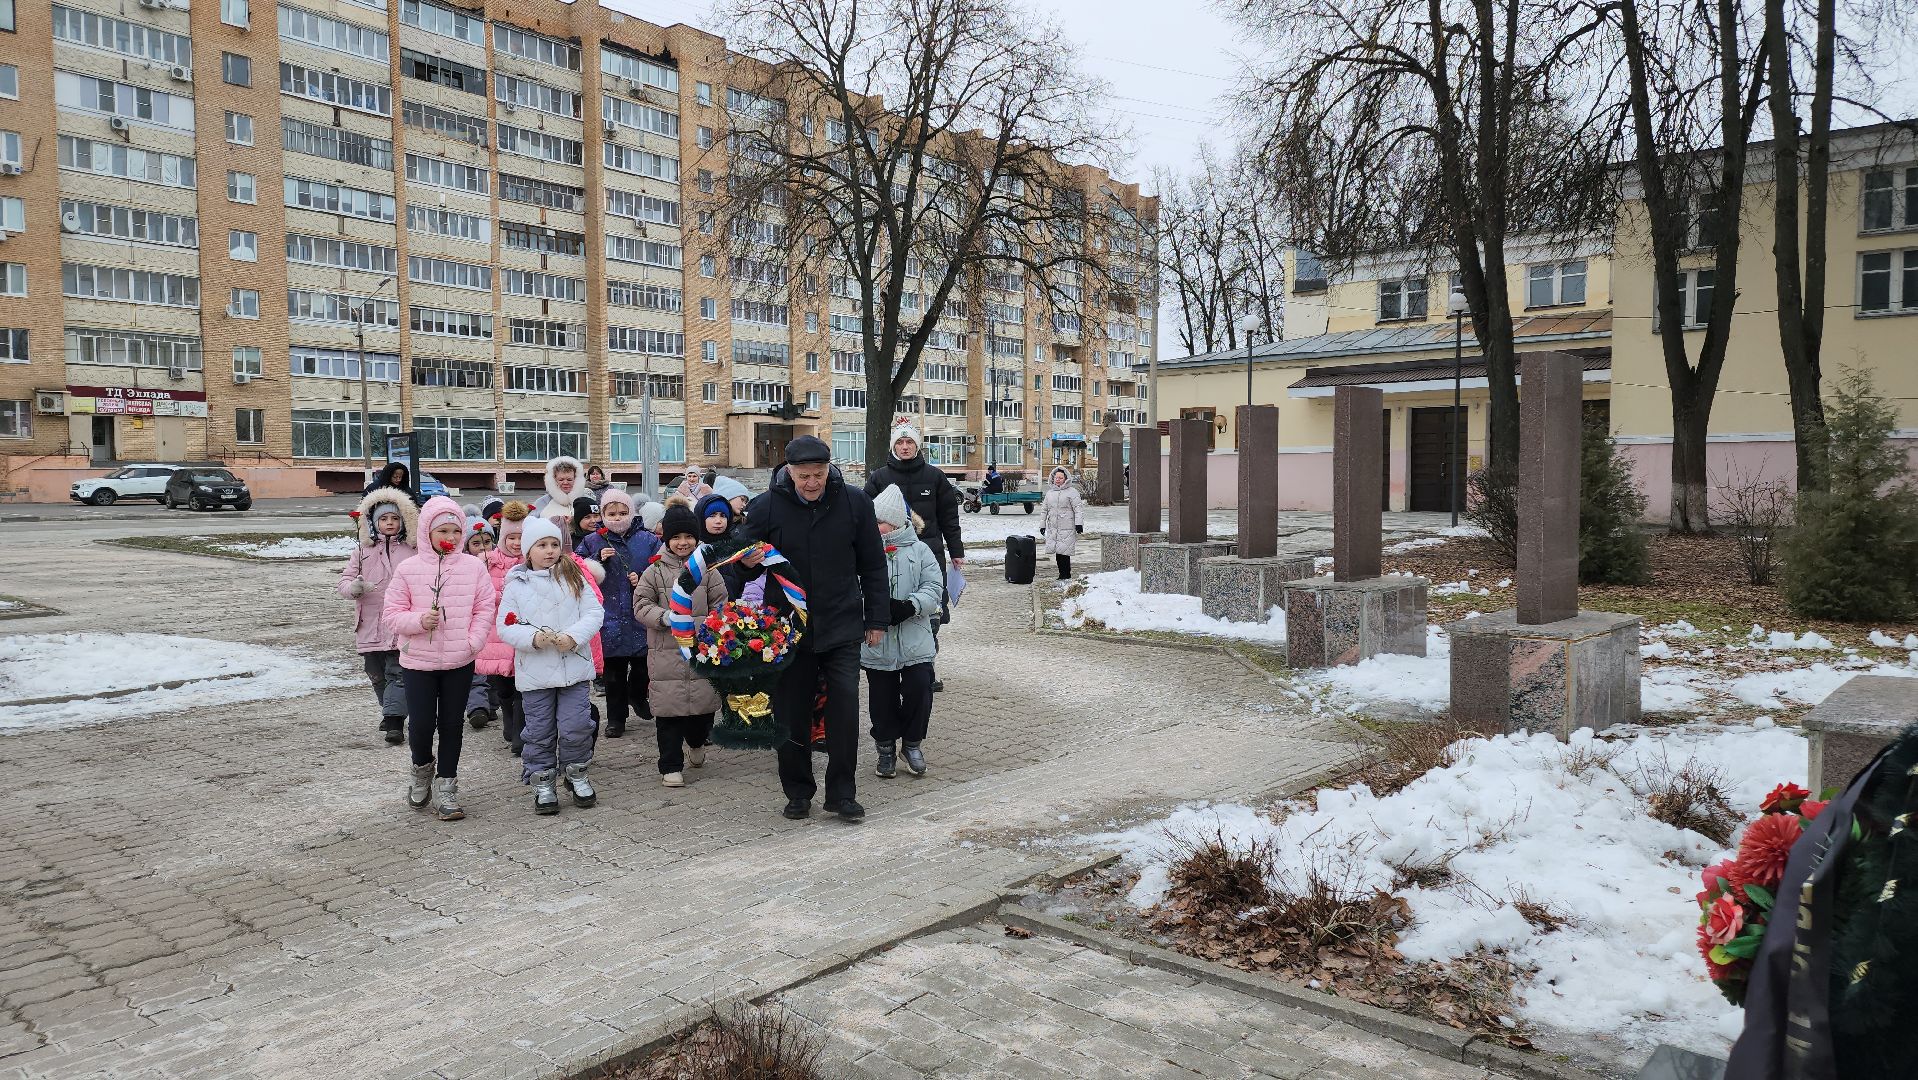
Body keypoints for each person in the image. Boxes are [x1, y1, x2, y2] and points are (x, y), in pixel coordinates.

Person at [738, 436, 887, 822]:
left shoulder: (854, 502)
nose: (811, 483)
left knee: (844, 710)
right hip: (787, 629)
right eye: (803, 476)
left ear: (829, 469)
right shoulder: (767, 505)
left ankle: (842, 794)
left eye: (818, 475)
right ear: (789, 472)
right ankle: (798, 791)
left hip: (841, 624)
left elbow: (872, 565)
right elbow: (736, 560)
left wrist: (877, 619)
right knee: (791, 712)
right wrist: (748, 561)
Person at [381, 495, 498, 821]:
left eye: (455, 531)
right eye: (442, 531)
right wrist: (419, 621)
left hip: (459, 661)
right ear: (426, 533)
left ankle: (447, 787)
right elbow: (391, 615)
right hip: (418, 661)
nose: (450, 538)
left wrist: (472, 642)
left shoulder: (474, 567)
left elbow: (484, 607)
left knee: (451, 725)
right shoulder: (408, 569)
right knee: (419, 725)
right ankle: (421, 771)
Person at [497, 517, 605, 815]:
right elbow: (505, 627)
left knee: (576, 726)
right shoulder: (516, 586)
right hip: (536, 674)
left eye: (554, 544)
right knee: (539, 730)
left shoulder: (574, 577)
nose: (549, 551)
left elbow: (594, 613)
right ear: (528, 551)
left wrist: (573, 636)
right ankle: (543, 779)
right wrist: (534, 638)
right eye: (541, 545)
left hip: (573, 669)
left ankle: (576, 772)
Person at [863, 423, 964, 691]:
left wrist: (956, 551)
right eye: (899, 443)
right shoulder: (879, 478)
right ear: (893, 447)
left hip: (928, 552)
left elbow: (949, 517)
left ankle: (925, 668)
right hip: (886, 555)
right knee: (890, 610)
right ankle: (890, 667)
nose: (904, 447)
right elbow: (863, 518)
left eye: (909, 443)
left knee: (929, 613)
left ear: (917, 446)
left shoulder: (935, 477)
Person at [633, 504, 725, 788]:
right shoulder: (654, 571)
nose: (682, 542)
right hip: (666, 654)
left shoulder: (708, 570)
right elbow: (640, 605)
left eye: (688, 536)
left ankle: (697, 743)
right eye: (676, 537)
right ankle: (670, 765)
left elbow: (722, 604)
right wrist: (664, 617)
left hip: (701, 650)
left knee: (703, 708)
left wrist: (709, 626)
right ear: (666, 539)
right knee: (668, 712)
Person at [862, 486, 944, 780]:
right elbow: (852, 588)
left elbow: (934, 588)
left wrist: (910, 606)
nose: (872, 528)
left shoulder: (920, 550)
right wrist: (873, 610)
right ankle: (885, 748)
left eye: (878, 522)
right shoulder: (862, 550)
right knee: (881, 699)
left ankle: (911, 745)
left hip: (915, 639)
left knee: (919, 690)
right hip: (877, 641)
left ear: (895, 523)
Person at [340, 487, 418, 745]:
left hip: (400, 621)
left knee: (398, 672)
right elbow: (344, 583)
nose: (389, 523)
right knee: (376, 673)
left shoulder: (411, 550)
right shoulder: (362, 552)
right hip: (369, 623)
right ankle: (389, 709)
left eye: (394, 519)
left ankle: (395, 721)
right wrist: (355, 588)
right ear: (373, 523)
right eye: (384, 519)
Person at [577, 487, 657, 739]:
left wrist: (643, 578)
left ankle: (638, 695)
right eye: (611, 513)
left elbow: (663, 568)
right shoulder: (592, 541)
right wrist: (596, 560)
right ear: (603, 514)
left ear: (632, 513)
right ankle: (616, 718)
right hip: (609, 617)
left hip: (641, 615)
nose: (617, 517)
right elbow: (576, 570)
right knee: (613, 675)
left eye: (623, 512)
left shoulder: (648, 539)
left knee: (644, 668)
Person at [461, 515, 498, 729]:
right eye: (476, 543)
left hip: (495, 625)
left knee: (492, 667)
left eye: (486, 542)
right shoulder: (464, 566)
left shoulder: (498, 562)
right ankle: (477, 708)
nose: (482, 547)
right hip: (472, 624)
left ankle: (492, 705)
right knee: (475, 669)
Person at [1038, 466, 1085, 580]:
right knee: (1058, 552)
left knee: (1065, 552)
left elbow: (1078, 509)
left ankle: (1066, 575)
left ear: (1065, 479)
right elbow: (1044, 510)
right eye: (1056, 477)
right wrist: (1042, 525)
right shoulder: (1050, 493)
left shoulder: (1072, 492)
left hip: (1067, 526)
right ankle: (1061, 574)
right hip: (1054, 527)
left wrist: (1079, 524)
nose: (1058, 479)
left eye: (1061, 477)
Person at [532, 455, 586, 522]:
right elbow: (529, 523)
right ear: (554, 480)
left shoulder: (585, 499)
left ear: (576, 479)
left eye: (569, 479)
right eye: (561, 480)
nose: (565, 483)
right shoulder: (543, 501)